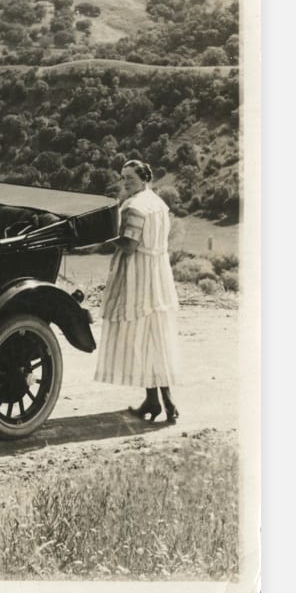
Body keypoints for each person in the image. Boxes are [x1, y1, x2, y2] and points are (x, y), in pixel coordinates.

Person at [87, 159, 182, 423]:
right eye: (122, 177)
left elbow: (129, 245)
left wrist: (103, 236)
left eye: (129, 177)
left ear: (143, 178)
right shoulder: (157, 203)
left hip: (138, 274)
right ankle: (161, 400)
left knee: (142, 337)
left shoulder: (136, 206)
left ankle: (156, 400)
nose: (125, 182)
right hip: (158, 273)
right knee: (155, 336)